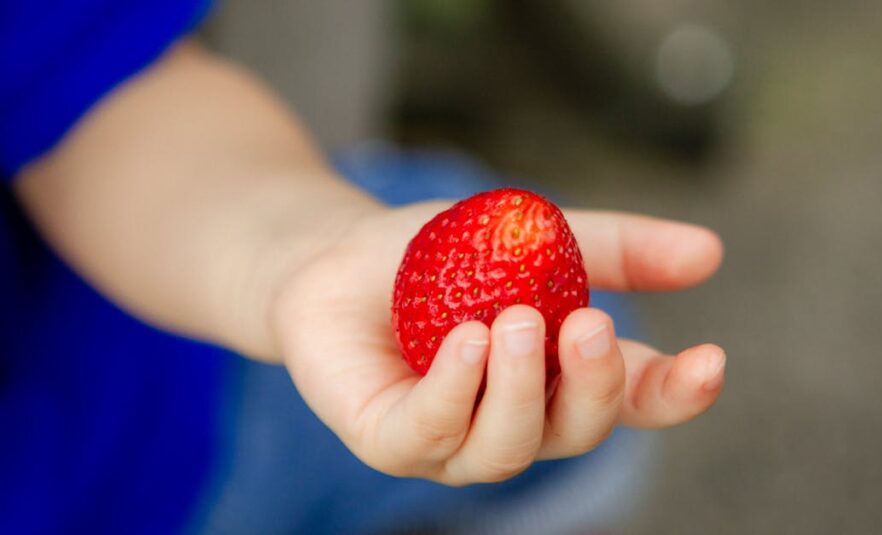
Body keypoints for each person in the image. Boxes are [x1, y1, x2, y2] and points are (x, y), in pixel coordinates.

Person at [0, 1, 726, 532]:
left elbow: (86, 81)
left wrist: (300, 253)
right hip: (153, 478)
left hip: (130, 402)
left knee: (591, 371)